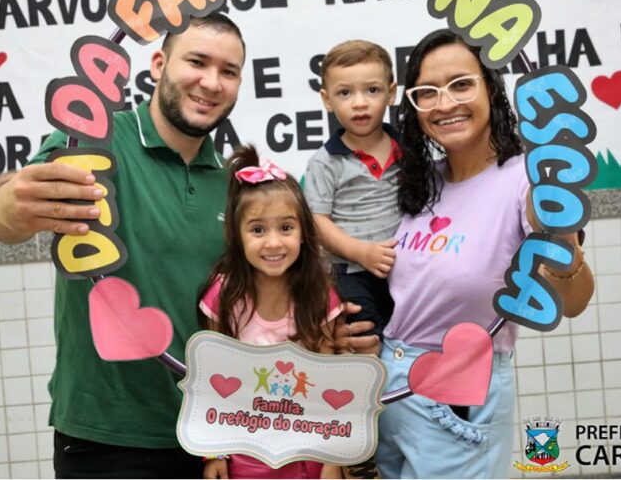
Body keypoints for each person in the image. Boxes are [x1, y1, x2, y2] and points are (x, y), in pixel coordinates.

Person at [0, 12, 245, 479]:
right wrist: (8, 205)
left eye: (228, 71)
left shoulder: (233, 183)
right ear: (159, 63)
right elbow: (4, 212)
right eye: (197, 62)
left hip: (213, 439)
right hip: (104, 435)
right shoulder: (92, 141)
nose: (211, 82)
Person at [376, 29, 594, 479]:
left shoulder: (526, 181)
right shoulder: (419, 184)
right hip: (389, 387)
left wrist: (563, 239)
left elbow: (573, 303)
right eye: (427, 92)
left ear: (491, 90)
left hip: (458, 391)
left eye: (461, 84)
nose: (445, 103)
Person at [198, 145, 343, 480]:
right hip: (243, 453)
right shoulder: (223, 295)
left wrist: (333, 459)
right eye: (258, 230)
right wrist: (214, 452)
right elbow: (209, 375)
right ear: (236, 234)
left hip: (309, 454)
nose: (274, 243)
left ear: (305, 232)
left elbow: (333, 381)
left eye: (286, 228)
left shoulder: (319, 295)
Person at [304, 40, 401, 341]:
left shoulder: (409, 148)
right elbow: (317, 222)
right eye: (345, 93)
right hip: (350, 273)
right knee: (367, 340)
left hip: (405, 267)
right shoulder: (325, 161)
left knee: (410, 340)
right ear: (327, 99)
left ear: (392, 92)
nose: (359, 102)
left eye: (372, 90)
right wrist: (361, 252)